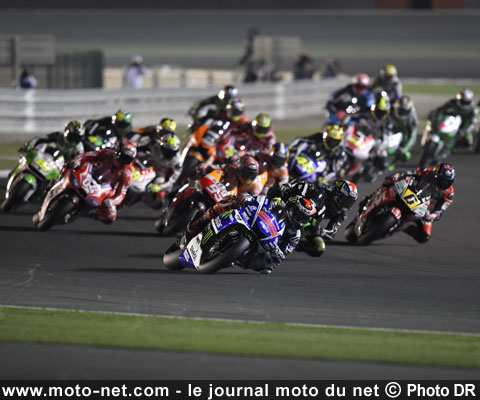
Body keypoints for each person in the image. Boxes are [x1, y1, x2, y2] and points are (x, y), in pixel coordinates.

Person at [185, 191, 316, 273]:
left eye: (305, 218)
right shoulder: (278, 203)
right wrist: (246, 198)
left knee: (267, 267)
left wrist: (277, 253)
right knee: (230, 200)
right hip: (252, 221)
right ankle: (200, 223)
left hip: (264, 246)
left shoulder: (295, 235)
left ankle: (234, 259)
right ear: (292, 208)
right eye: (300, 216)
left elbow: (281, 257)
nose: (301, 221)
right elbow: (261, 199)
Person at [360, 163, 455, 243]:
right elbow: (407, 174)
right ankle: (371, 197)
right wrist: (397, 177)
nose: (443, 184)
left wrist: (431, 216)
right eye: (441, 180)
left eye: (447, 182)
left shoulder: (449, 194)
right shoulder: (426, 172)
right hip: (410, 191)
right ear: (435, 175)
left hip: (424, 209)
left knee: (424, 236)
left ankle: (403, 226)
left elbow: (440, 210)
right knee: (388, 182)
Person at [66, 141, 136, 224]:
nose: (123, 161)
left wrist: (112, 201)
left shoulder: (127, 173)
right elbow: (87, 155)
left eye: (127, 159)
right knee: (70, 165)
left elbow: (122, 193)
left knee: (111, 215)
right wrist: (77, 161)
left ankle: (90, 214)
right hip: (91, 174)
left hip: (105, 188)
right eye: (122, 157)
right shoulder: (107, 153)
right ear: (117, 152)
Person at [303, 180, 359, 255]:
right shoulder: (324, 188)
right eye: (345, 200)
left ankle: (297, 246)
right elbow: (304, 186)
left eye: (349, 202)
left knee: (320, 247)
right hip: (300, 210)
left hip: (309, 225)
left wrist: (321, 231)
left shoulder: (341, 213)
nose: (346, 204)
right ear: (338, 193)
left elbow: (331, 233)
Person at [20, 120, 85, 162]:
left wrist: (73, 164)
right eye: (72, 136)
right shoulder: (57, 136)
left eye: (77, 138)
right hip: (46, 161)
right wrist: (30, 145)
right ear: (65, 131)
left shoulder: (79, 148)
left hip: (61, 170)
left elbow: (78, 161)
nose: (73, 140)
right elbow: (40, 138)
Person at [391, 95, 419, 162]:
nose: (402, 112)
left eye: (404, 110)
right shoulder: (392, 110)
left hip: (405, 133)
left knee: (405, 155)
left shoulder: (413, 119)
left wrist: (405, 148)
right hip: (394, 131)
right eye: (401, 110)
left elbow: (413, 136)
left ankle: (395, 160)